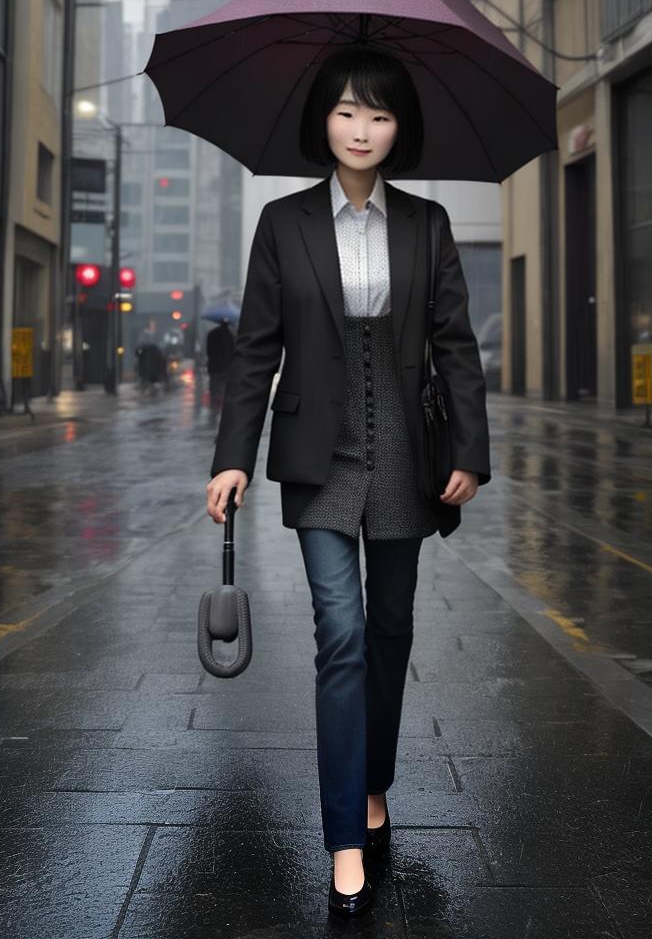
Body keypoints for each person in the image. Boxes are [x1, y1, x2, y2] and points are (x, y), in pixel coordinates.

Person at [204, 45, 490, 918]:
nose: (361, 129)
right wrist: (231, 455)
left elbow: (456, 348)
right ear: (321, 121)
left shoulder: (428, 224)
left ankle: (375, 782)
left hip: (406, 452)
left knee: (392, 628)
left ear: (399, 128)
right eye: (346, 112)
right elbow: (256, 350)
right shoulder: (283, 225)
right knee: (342, 633)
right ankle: (343, 840)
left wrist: (470, 452)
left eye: (380, 114)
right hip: (316, 458)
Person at [205, 317, 235, 410]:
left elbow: (208, 351)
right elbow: (233, 351)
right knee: (225, 387)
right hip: (226, 367)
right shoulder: (230, 335)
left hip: (214, 367)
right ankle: (222, 405)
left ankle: (214, 405)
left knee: (214, 387)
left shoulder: (211, 334)